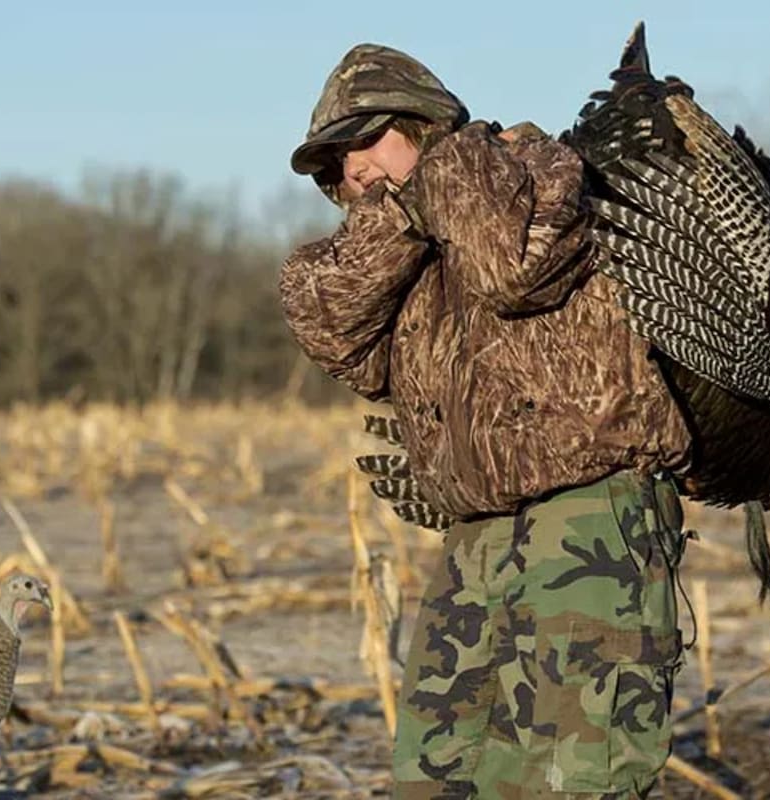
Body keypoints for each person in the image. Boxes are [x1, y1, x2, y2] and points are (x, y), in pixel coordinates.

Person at [281, 42, 693, 799]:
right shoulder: (399, 248)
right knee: (438, 775)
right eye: (335, 164)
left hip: (589, 514)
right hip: (475, 535)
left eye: (366, 138)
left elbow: (509, 268)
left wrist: (442, 170)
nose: (354, 170)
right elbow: (326, 323)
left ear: (425, 120)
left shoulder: (533, 169)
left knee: (576, 776)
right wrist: (401, 214)